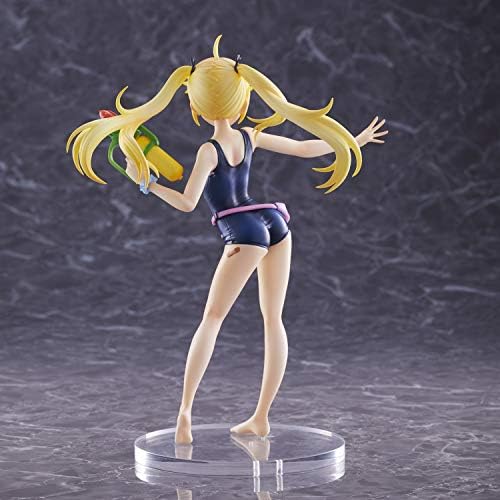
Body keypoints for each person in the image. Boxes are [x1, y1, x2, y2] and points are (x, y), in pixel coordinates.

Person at [67, 35, 388, 444]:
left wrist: (147, 184)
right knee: (273, 319)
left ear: (195, 106)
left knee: (213, 319)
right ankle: (261, 417)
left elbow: (187, 203)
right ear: (242, 99)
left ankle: (185, 414)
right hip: (273, 220)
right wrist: (352, 141)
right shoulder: (249, 136)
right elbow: (304, 147)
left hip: (243, 232)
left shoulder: (208, 150)